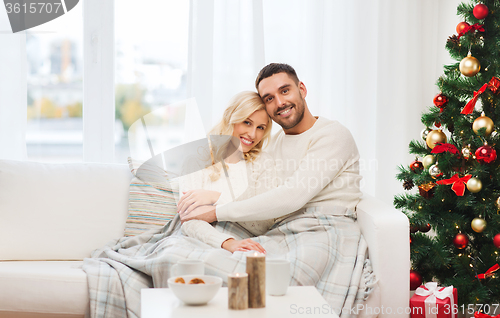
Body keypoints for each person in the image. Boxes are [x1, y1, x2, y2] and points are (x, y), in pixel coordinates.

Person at [179, 63, 362, 225]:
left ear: (302, 89)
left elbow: (292, 195)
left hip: (327, 225)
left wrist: (215, 209)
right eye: (269, 98)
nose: (280, 102)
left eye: (284, 91)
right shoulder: (273, 145)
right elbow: (257, 196)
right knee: (247, 261)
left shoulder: (332, 135)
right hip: (283, 230)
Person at [177, 91, 276, 254]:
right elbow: (188, 219)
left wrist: (215, 197)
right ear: (231, 118)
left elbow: (264, 222)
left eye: (260, 128)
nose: (252, 134)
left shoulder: (264, 162)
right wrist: (227, 243)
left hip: (246, 240)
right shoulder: (196, 157)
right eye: (247, 122)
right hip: (198, 238)